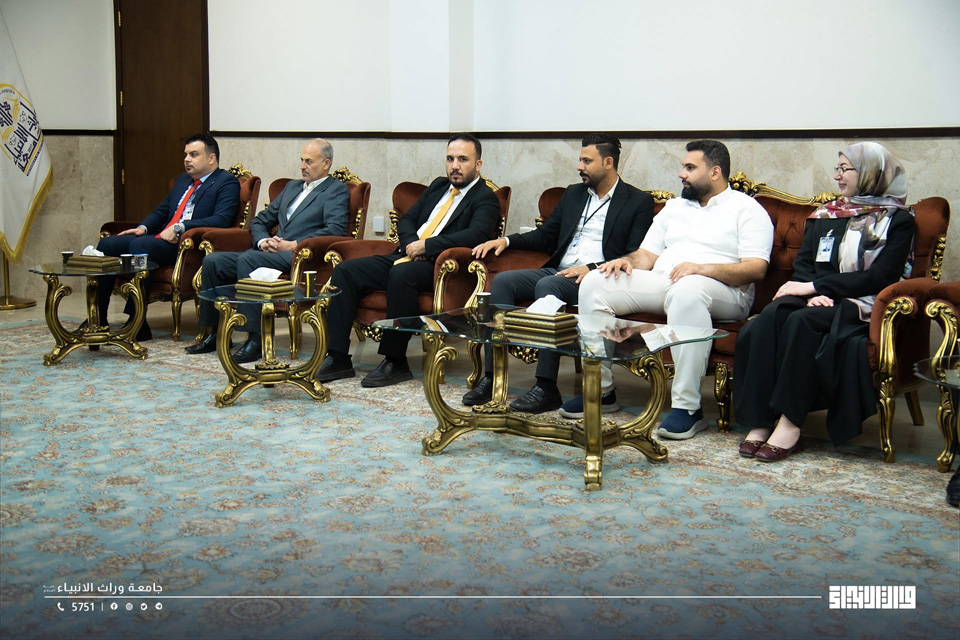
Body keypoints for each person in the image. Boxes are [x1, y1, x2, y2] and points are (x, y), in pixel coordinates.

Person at [732, 142, 916, 462]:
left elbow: (881, 277)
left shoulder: (897, 220)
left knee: (800, 323)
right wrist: (812, 292)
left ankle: (790, 423)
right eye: (837, 168)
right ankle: (760, 421)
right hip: (816, 295)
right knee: (765, 322)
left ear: (872, 173)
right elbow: (805, 263)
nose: (837, 176)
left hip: (861, 303)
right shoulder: (826, 215)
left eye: (846, 169)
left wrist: (819, 287)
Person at [578, 140, 773, 438]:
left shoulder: (747, 210)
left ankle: (687, 407)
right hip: (667, 281)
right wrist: (625, 261)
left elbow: (756, 268)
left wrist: (701, 268)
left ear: (715, 172)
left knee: (688, 289)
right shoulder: (675, 207)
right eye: (683, 166)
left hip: (726, 291)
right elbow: (646, 255)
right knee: (595, 282)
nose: (681, 173)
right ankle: (600, 391)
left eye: (690, 168)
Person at [463, 133, 655, 415]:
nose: (579, 166)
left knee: (549, 285)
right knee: (503, 282)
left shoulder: (637, 201)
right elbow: (546, 236)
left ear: (608, 163)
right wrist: (507, 240)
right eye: (580, 159)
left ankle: (546, 386)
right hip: (559, 269)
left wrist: (590, 269)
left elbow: (633, 254)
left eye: (586, 161)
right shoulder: (574, 194)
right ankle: (493, 377)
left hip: (596, 279)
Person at [319, 133, 501, 387]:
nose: (455, 166)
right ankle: (338, 357)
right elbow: (407, 219)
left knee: (401, 275)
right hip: (406, 254)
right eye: (450, 159)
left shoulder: (485, 198)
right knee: (346, 271)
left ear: (478, 164)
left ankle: (395, 361)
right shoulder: (438, 186)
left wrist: (428, 246)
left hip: (440, 268)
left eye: (463, 159)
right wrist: (411, 245)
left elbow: (476, 235)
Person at [185, 139, 350, 362]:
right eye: (301, 160)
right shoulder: (292, 187)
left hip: (299, 258)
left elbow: (335, 229)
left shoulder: (335, 190)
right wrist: (263, 241)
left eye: (309, 162)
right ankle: (214, 333)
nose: (302, 166)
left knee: (249, 260)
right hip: (269, 252)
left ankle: (256, 338)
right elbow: (260, 220)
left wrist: (294, 244)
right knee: (213, 261)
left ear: (326, 163)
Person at [96, 133, 240, 340]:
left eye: (193, 154)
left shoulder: (226, 182)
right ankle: (98, 318)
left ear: (211, 158)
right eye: (185, 155)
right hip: (160, 239)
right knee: (107, 245)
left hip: (187, 246)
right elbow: (163, 211)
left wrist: (181, 227)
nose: (187, 159)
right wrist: (143, 227)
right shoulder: (182, 181)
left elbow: (222, 219)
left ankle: (137, 321)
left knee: (141, 247)